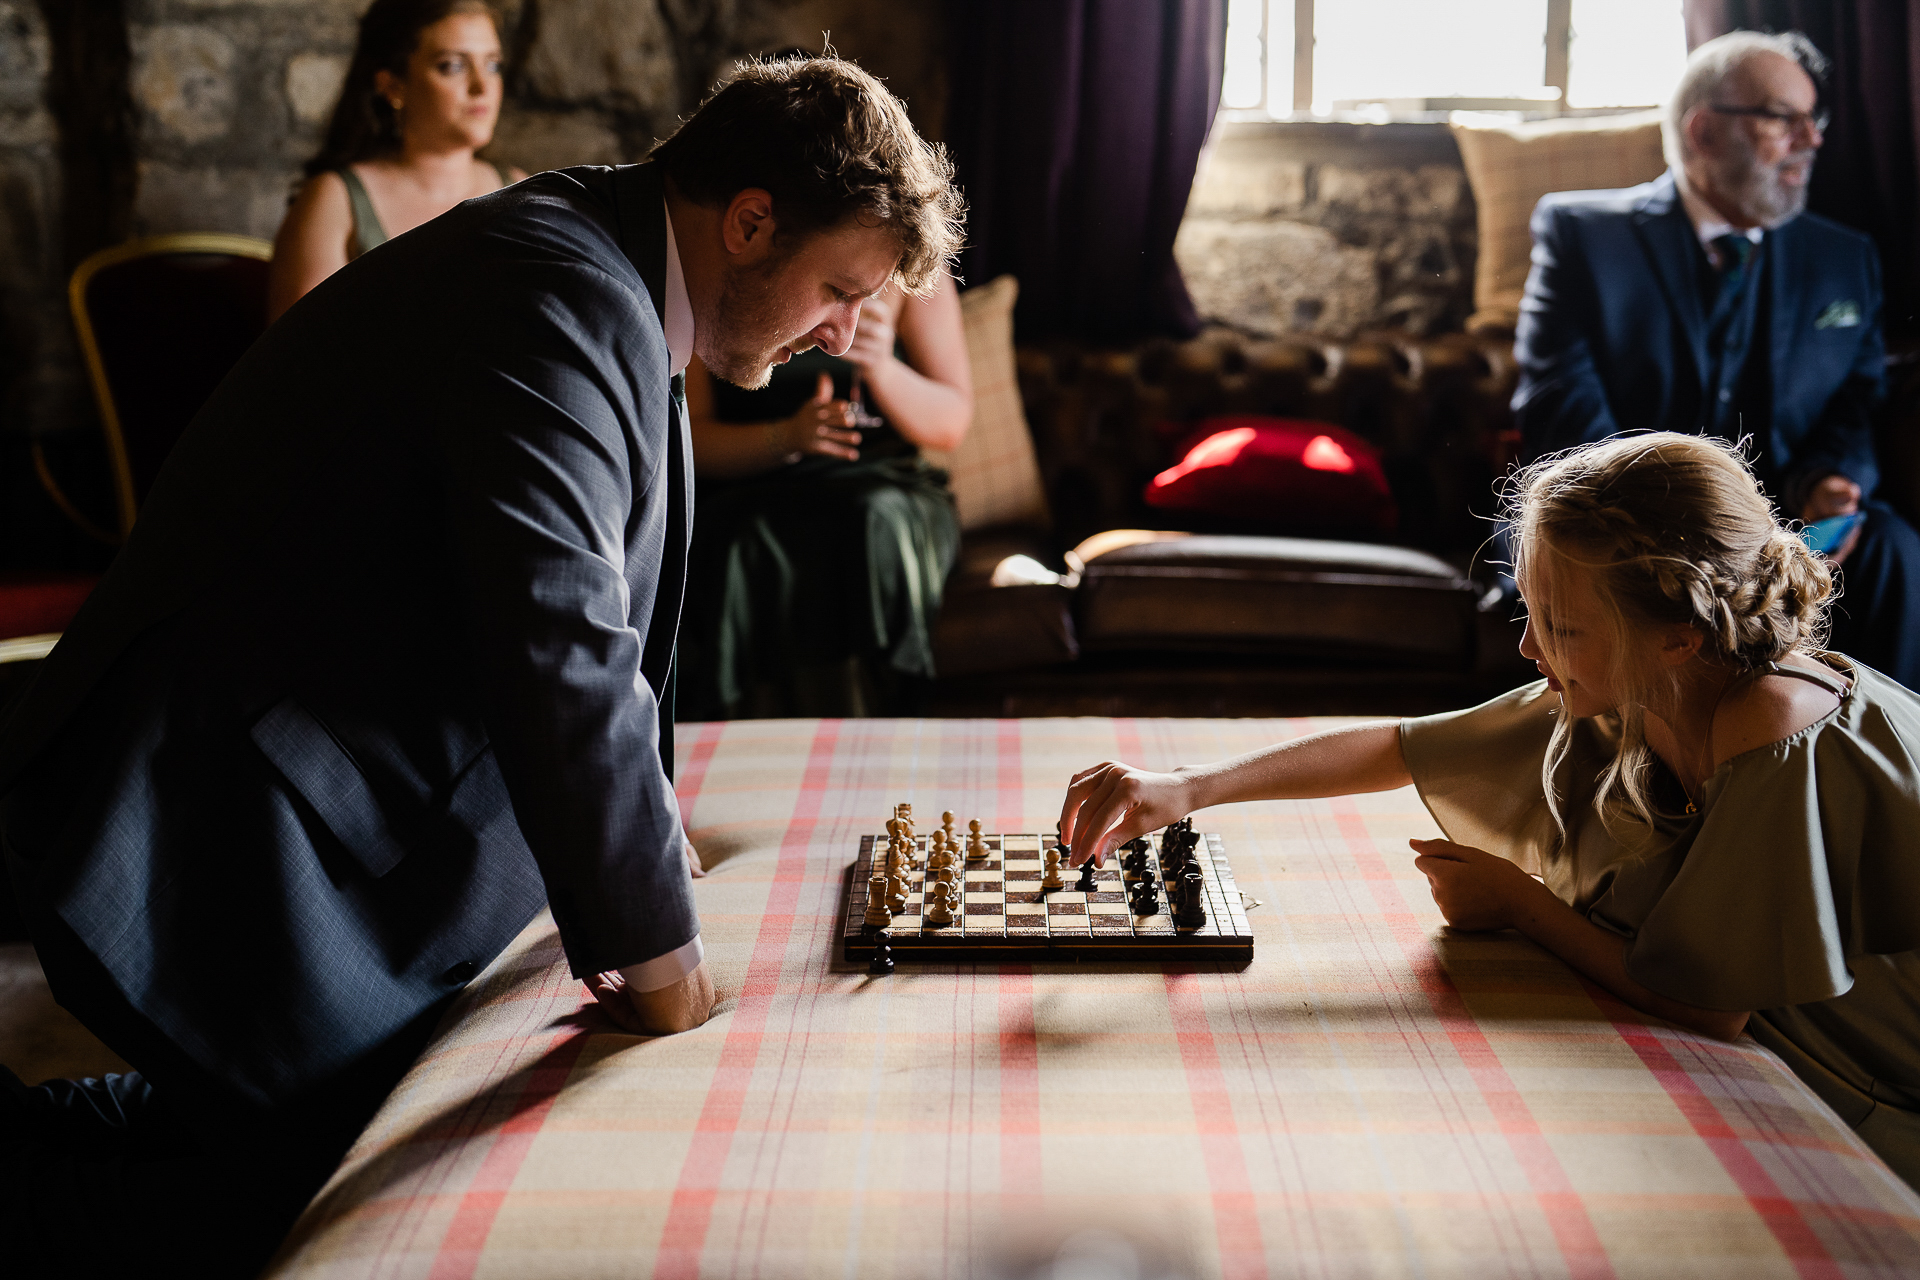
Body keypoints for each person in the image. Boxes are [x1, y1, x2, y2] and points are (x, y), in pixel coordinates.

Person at [0, 55, 962, 1277]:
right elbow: (563, 639)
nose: (841, 331)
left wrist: (652, 856)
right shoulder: (562, 287)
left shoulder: (619, 279)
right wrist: (668, 973)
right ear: (752, 219)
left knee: (262, 1163)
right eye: (837, 288)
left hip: (299, 780)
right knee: (302, 1211)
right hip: (205, 799)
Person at [1060, 432, 1920, 1188]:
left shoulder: (1767, 722)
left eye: (1560, 626)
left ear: (1677, 633)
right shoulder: (1659, 674)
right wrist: (1188, 786)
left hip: (1890, 1090)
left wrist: (1522, 906)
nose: (1527, 646)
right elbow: (1402, 745)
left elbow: (1710, 1007)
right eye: (1532, 612)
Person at [1511, 30, 1920, 690]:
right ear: (1703, 130)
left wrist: (1832, 478)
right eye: (1784, 120)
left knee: (1894, 553)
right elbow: (1566, 414)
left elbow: (1858, 399)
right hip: (1628, 517)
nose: (1811, 141)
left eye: (1813, 121)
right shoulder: (1583, 235)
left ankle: (1891, 774)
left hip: (1788, 520)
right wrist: (1690, 531)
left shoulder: (1844, 257)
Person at [678, 266, 972, 718]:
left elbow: (951, 421)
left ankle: (879, 739)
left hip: (886, 482)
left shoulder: (910, 267)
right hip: (759, 483)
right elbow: (688, 438)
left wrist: (882, 368)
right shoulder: (731, 268)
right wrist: (787, 438)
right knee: (738, 541)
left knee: (872, 523)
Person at [267, 0, 527, 323]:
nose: (482, 87)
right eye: (452, 66)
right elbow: (295, 362)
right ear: (393, 85)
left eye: (492, 65)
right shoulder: (334, 200)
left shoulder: (520, 191)